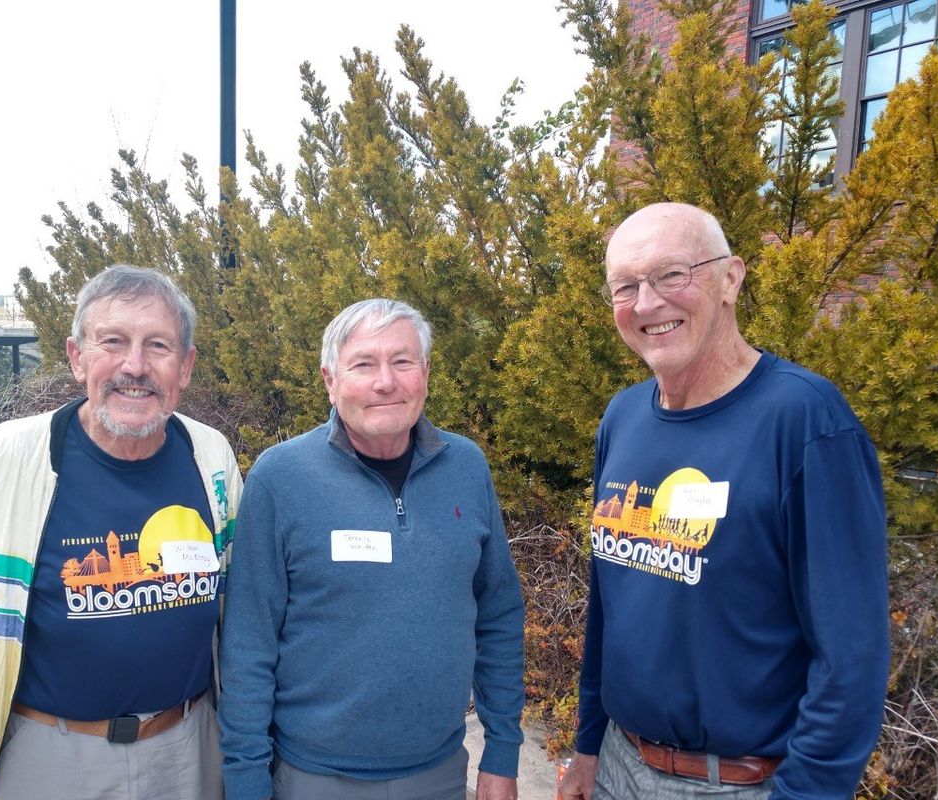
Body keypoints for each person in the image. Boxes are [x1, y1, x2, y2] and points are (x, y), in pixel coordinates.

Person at [0, 265, 242, 800]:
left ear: (186, 366)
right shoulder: (7, 457)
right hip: (46, 756)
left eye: (159, 346)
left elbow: (237, 616)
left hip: (188, 752)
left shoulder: (210, 456)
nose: (135, 365)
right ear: (78, 358)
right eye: (113, 342)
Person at [558, 203, 889, 800]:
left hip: (736, 785)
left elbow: (851, 658)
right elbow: (610, 606)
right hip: (616, 764)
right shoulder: (623, 418)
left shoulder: (806, 423)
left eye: (671, 275)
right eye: (625, 287)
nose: (647, 302)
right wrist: (587, 748)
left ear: (731, 278)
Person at [218, 298, 525, 800]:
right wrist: (246, 779)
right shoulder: (280, 479)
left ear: (424, 372)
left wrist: (503, 751)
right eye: (363, 364)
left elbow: (499, 615)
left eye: (402, 361)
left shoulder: (467, 467)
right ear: (329, 380)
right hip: (313, 778)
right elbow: (249, 646)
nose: (386, 381)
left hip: (441, 774)